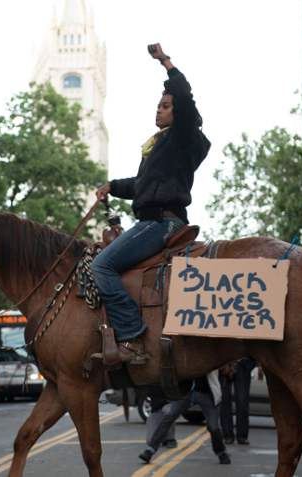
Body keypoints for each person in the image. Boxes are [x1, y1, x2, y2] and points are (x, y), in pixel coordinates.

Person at [92, 43, 211, 364]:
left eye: (165, 105)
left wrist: (165, 62)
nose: (158, 109)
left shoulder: (183, 136)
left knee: (100, 266)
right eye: (158, 105)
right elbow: (141, 186)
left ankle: (132, 337)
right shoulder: (159, 147)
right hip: (151, 220)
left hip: (161, 223)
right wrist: (112, 187)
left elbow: (185, 98)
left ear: (181, 114)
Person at [139, 370, 231, 465]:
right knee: (169, 416)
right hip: (186, 392)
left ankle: (221, 453)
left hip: (207, 393)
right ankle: (150, 450)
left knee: (213, 426)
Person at [220, 358, 257, 445]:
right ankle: (227, 435)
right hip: (224, 362)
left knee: (242, 402)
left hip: (243, 363)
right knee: (224, 401)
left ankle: (242, 436)